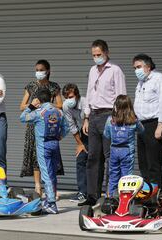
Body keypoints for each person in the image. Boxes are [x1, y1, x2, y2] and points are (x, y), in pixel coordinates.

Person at [80, 39, 126, 206]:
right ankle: (92, 195)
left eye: (99, 54)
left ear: (107, 53)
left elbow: (121, 96)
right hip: (94, 115)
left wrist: (117, 117)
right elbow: (89, 93)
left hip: (109, 115)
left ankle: (111, 194)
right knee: (93, 157)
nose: (96, 57)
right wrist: (86, 117)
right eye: (94, 55)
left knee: (110, 157)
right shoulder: (93, 70)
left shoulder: (115, 70)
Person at [20, 88, 69, 214]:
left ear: (39, 100)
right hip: (55, 144)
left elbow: (22, 118)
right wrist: (60, 136)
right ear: (51, 99)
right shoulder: (59, 112)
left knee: (46, 173)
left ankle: (51, 203)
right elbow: (67, 127)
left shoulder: (38, 112)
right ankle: (49, 200)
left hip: (43, 145)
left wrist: (30, 106)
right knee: (52, 172)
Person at [19, 59, 63, 196]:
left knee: (50, 156)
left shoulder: (54, 87)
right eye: (37, 70)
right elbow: (22, 106)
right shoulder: (31, 86)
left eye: (41, 70)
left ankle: (51, 186)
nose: (38, 72)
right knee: (35, 156)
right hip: (34, 124)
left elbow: (60, 105)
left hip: (49, 124)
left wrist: (47, 105)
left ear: (48, 71)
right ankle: (38, 186)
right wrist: (33, 105)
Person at [133, 54, 162, 189]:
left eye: (138, 67)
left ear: (148, 67)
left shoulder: (159, 79)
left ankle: (155, 196)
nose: (136, 70)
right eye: (135, 68)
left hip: (155, 124)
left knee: (153, 162)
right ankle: (147, 193)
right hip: (141, 126)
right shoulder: (141, 82)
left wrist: (160, 126)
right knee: (143, 162)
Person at [103, 95, 144, 196]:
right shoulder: (134, 120)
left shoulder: (110, 120)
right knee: (126, 178)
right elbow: (142, 130)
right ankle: (124, 201)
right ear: (129, 106)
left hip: (114, 151)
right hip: (127, 152)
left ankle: (111, 199)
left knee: (113, 176)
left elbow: (106, 135)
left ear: (116, 106)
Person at [62, 83, 88, 204]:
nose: (69, 100)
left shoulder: (85, 102)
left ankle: (95, 193)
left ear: (77, 95)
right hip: (83, 132)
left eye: (71, 97)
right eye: (66, 97)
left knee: (95, 161)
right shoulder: (66, 106)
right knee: (81, 159)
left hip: (95, 129)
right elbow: (72, 126)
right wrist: (80, 143)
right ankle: (82, 192)